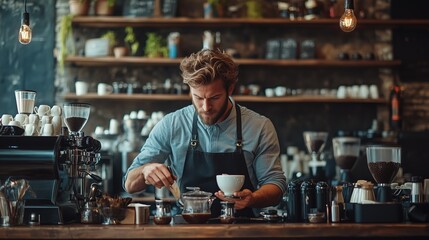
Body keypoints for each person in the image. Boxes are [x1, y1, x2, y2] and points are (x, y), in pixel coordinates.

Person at [124, 49, 287, 217]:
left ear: (230, 89)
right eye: (198, 98)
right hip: (187, 227)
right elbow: (130, 184)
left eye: (215, 98)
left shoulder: (259, 127)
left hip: (243, 228)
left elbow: (275, 185)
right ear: (189, 90)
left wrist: (253, 198)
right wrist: (145, 171)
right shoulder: (172, 125)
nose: (206, 107)